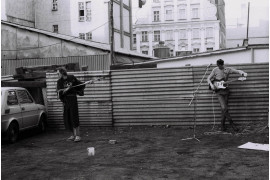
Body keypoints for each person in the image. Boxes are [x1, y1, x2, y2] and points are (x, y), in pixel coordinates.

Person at [207, 59, 247, 132]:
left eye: (219, 66)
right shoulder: (215, 70)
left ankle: (222, 126)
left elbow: (237, 71)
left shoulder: (227, 70)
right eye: (217, 65)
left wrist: (242, 73)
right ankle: (232, 125)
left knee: (224, 110)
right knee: (224, 108)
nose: (218, 67)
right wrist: (211, 85)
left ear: (222, 64)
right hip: (218, 92)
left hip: (226, 92)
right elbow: (208, 78)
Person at [56, 67, 85, 142]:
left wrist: (85, 83)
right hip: (66, 101)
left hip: (73, 100)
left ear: (62, 73)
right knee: (68, 118)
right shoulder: (59, 82)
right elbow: (59, 92)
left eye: (58, 73)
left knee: (74, 116)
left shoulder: (71, 78)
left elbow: (79, 84)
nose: (57, 75)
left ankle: (78, 135)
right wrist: (65, 90)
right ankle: (73, 135)